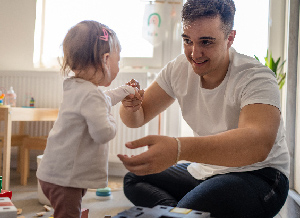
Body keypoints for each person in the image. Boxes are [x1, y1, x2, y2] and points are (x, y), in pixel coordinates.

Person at [117, 0, 290, 218]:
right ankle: (176, 212)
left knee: (186, 212)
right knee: (135, 178)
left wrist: (178, 149)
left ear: (230, 38)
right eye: (187, 41)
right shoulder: (178, 68)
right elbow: (135, 119)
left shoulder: (256, 76)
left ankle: (179, 212)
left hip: (259, 175)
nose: (194, 53)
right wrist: (130, 106)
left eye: (206, 42)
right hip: (207, 170)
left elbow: (258, 143)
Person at [36, 20, 141, 218]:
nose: (118, 67)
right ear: (105, 59)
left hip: (56, 173)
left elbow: (104, 99)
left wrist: (126, 90)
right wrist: (111, 120)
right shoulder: (91, 96)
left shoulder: (76, 87)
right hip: (65, 179)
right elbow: (103, 133)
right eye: (118, 62)